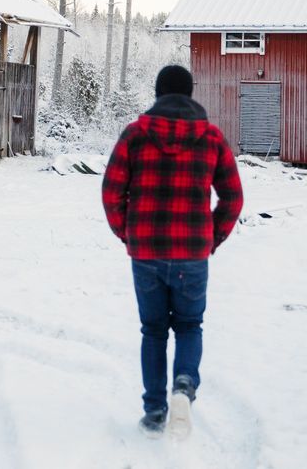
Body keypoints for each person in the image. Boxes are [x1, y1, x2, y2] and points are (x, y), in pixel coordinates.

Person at [102, 65, 244, 439]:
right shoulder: (211, 138)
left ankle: (154, 411)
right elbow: (233, 196)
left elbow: (111, 192)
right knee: (188, 325)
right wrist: (211, 237)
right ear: (191, 93)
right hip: (192, 254)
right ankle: (183, 387)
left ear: (158, 92)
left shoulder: (135, 136)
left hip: (146, 251)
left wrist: (128, 234)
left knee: (153, 331)